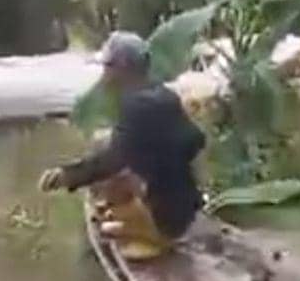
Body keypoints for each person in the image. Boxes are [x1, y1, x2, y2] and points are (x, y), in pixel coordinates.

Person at [38, 31, 207, 261]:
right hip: (185, 210)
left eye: (108, 66)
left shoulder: (137, 105)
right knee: (117, 161)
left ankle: (154, 235)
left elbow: (111, 161)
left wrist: (66, 175)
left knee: (111, 177)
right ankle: (146, 224)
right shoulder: (164, 94)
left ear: (123, 67)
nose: (104, 73)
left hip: (168, 220)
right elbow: (196, 140)